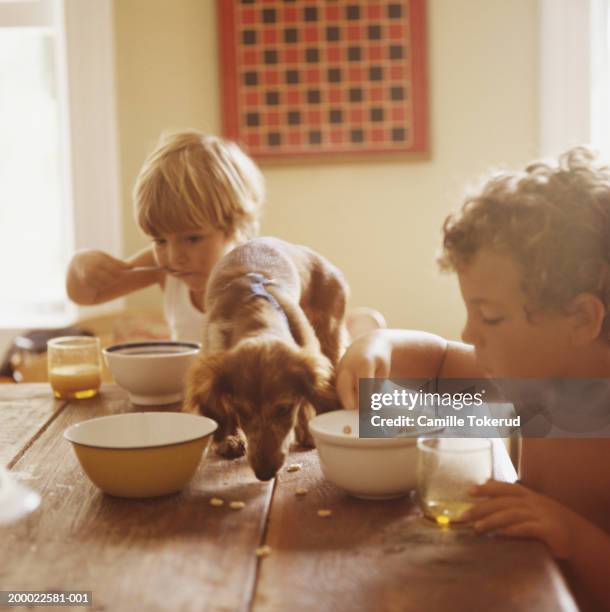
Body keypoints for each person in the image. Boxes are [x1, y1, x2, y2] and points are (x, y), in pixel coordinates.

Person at [337, 147, 610, 610]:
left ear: (581, 319)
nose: (468, 332)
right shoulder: (541, 386)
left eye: (490, 317)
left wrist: (569, 533)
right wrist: (377, 345)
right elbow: (441, 362)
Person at [66, 130, 265, 342]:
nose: (173, 257)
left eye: (192, 239)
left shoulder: (257, 277)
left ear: (234, 224)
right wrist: (80, 264)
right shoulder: (165, 269)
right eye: (160, 240)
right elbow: (89, 295)